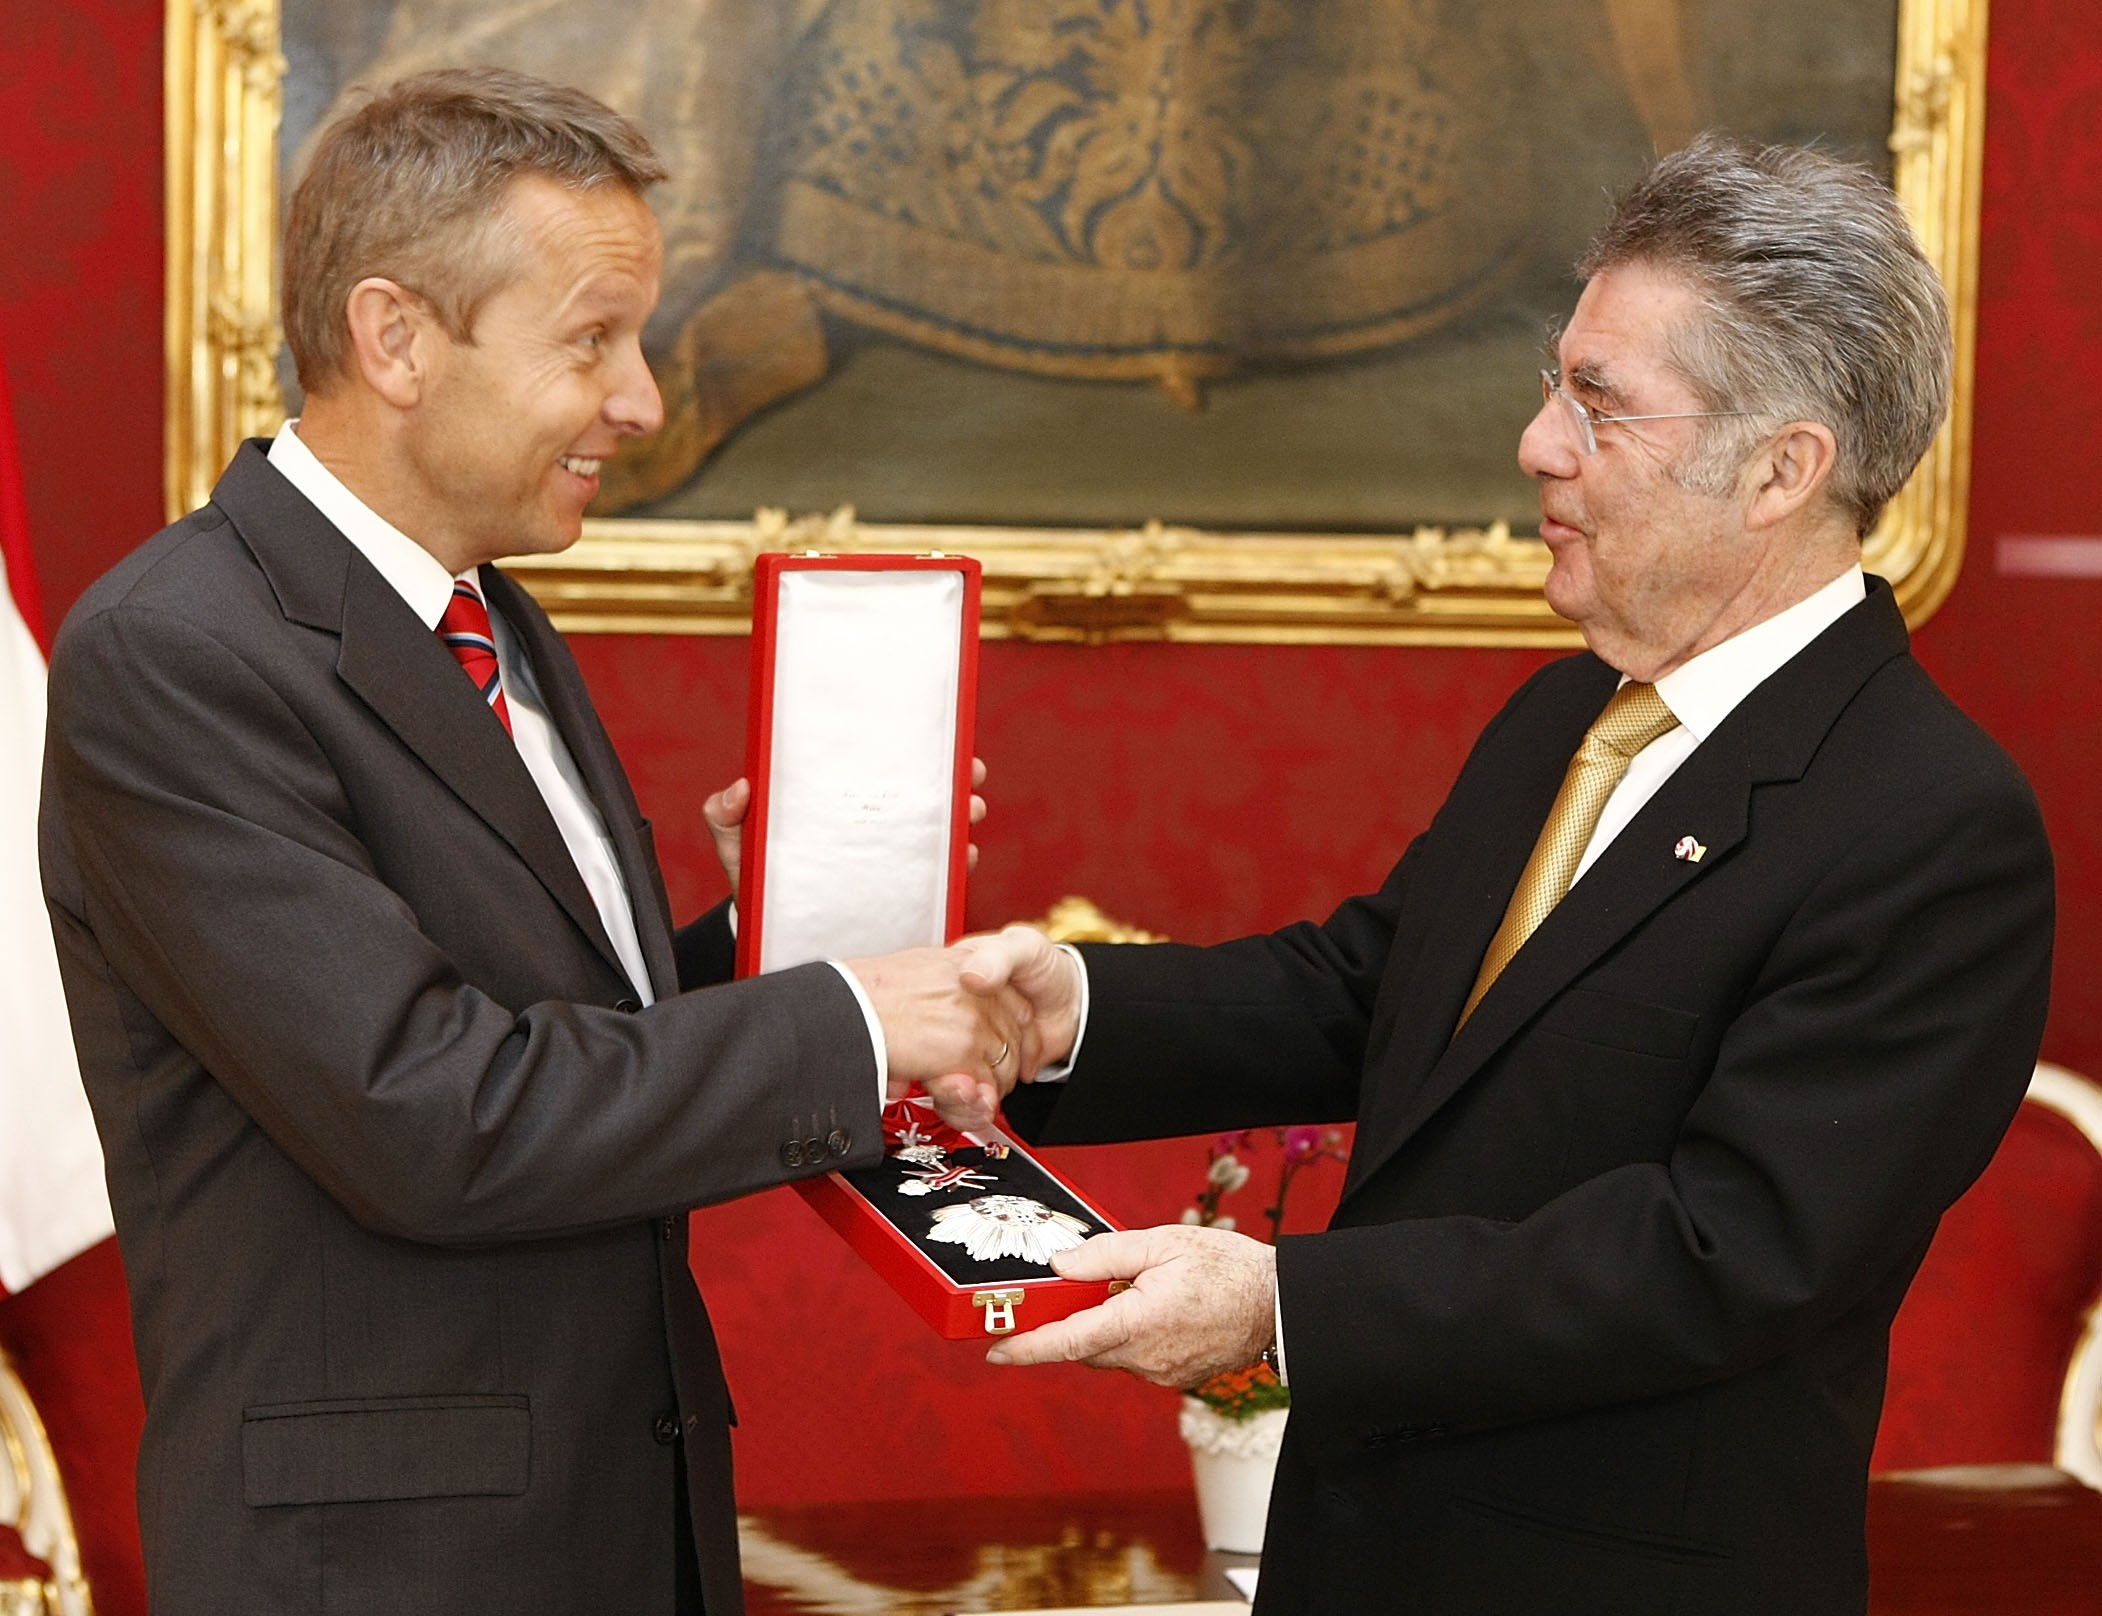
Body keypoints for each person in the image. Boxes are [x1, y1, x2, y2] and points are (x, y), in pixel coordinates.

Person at [961, 136, 2055, 1615]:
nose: (1537, 444)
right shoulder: (1568, 712)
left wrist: (1280, 1308)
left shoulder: (1929, 824)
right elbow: (1375, 991)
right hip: (1368, 1553)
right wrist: (1063, 1014)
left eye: (1596, 405)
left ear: (1781, 470)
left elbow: (1724, 1251)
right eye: (1552, 383)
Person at [38, 68, 1029, 1616]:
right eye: (591, 339)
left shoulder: (492, 615)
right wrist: (839, 1024)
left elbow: (555, 1036)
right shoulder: (178, 651)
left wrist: (758, 930)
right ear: (395, 339)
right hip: (383, 1569)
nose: (639, 398)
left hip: (613, 1529)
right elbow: (434, 1115)